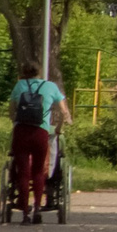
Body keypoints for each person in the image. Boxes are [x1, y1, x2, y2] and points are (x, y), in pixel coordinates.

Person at [4, 63, 69, 217]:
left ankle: (25, 210)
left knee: (24, 172)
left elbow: (11, 110)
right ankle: (38, 208)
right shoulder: (51, 87)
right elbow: (63, 111)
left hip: (21, 132)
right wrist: (59, 127)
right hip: (41, 132)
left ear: (23, 72)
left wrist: (16, 122)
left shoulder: (19, 86)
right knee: (39, 171)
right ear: (40, 72)